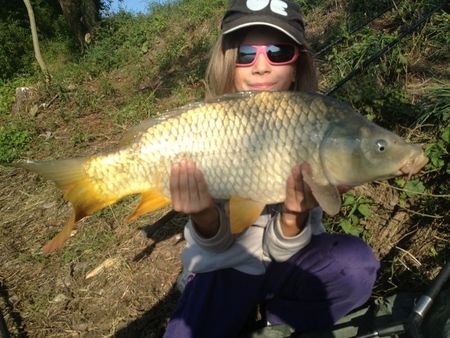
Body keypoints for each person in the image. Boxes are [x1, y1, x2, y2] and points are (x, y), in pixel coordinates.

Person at [163, 1, 380, 337]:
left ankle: (274, 322)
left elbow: (284, 249)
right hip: (222, 266)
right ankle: (229, 307)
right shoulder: (208, 127)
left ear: (297, 65)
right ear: (228, 63)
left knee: (355, 265)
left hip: (288, 264)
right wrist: (204, 214)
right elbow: (216, 247)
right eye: (246, 53)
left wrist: (294, 215)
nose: (260, 67)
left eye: (278, 52)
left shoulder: (311, 123)